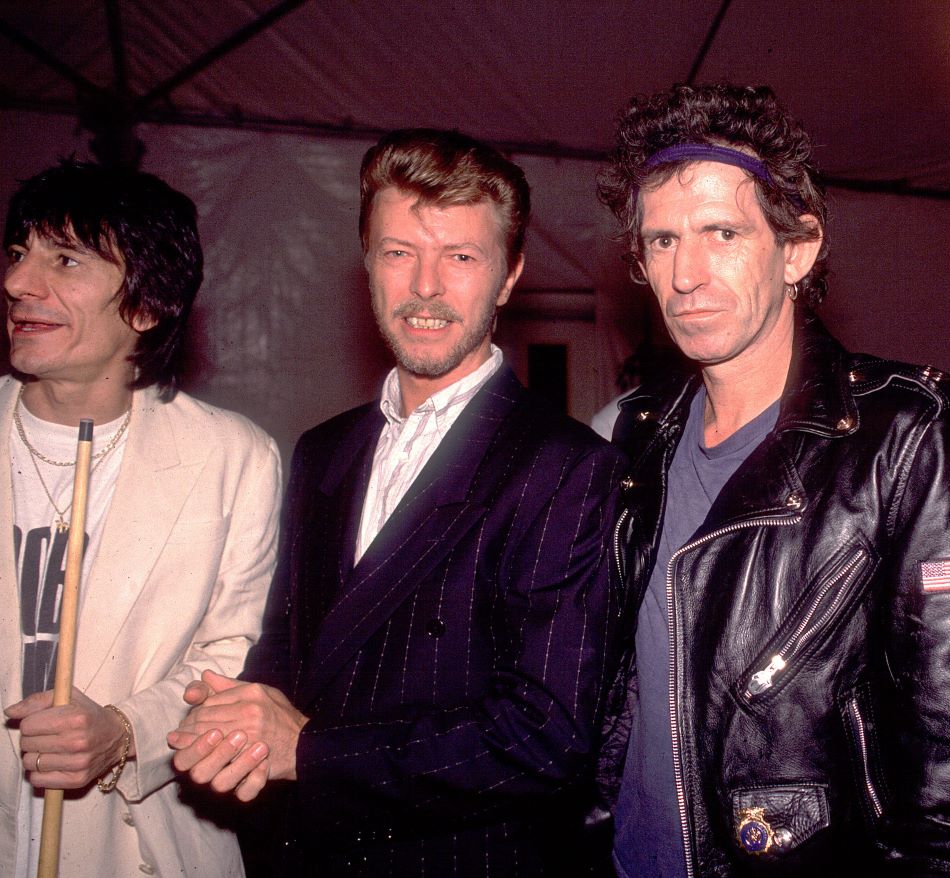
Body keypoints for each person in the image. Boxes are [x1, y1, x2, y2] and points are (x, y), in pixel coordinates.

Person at [593, 84, 950, 876]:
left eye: (720, 232)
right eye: (660, 242)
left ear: (797, 249)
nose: (684, 274)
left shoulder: (911, 435)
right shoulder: (637, 440)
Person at [169, 129, 626, 875]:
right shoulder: (325, 449)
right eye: (398, 253)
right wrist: (236, 720)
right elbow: (294, 646)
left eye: (461, 257)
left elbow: (547, 738)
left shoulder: (566, 466)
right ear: (367, 265)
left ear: (509, 276)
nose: (425, 288)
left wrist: (310, 753)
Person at [0, 160, 281, 876]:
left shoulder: (232, 457)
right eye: (17, 252)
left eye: (64, 259)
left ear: (147, 306)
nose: (17, 283)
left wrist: (125, 732)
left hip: (141, 846)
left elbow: (232, 656)